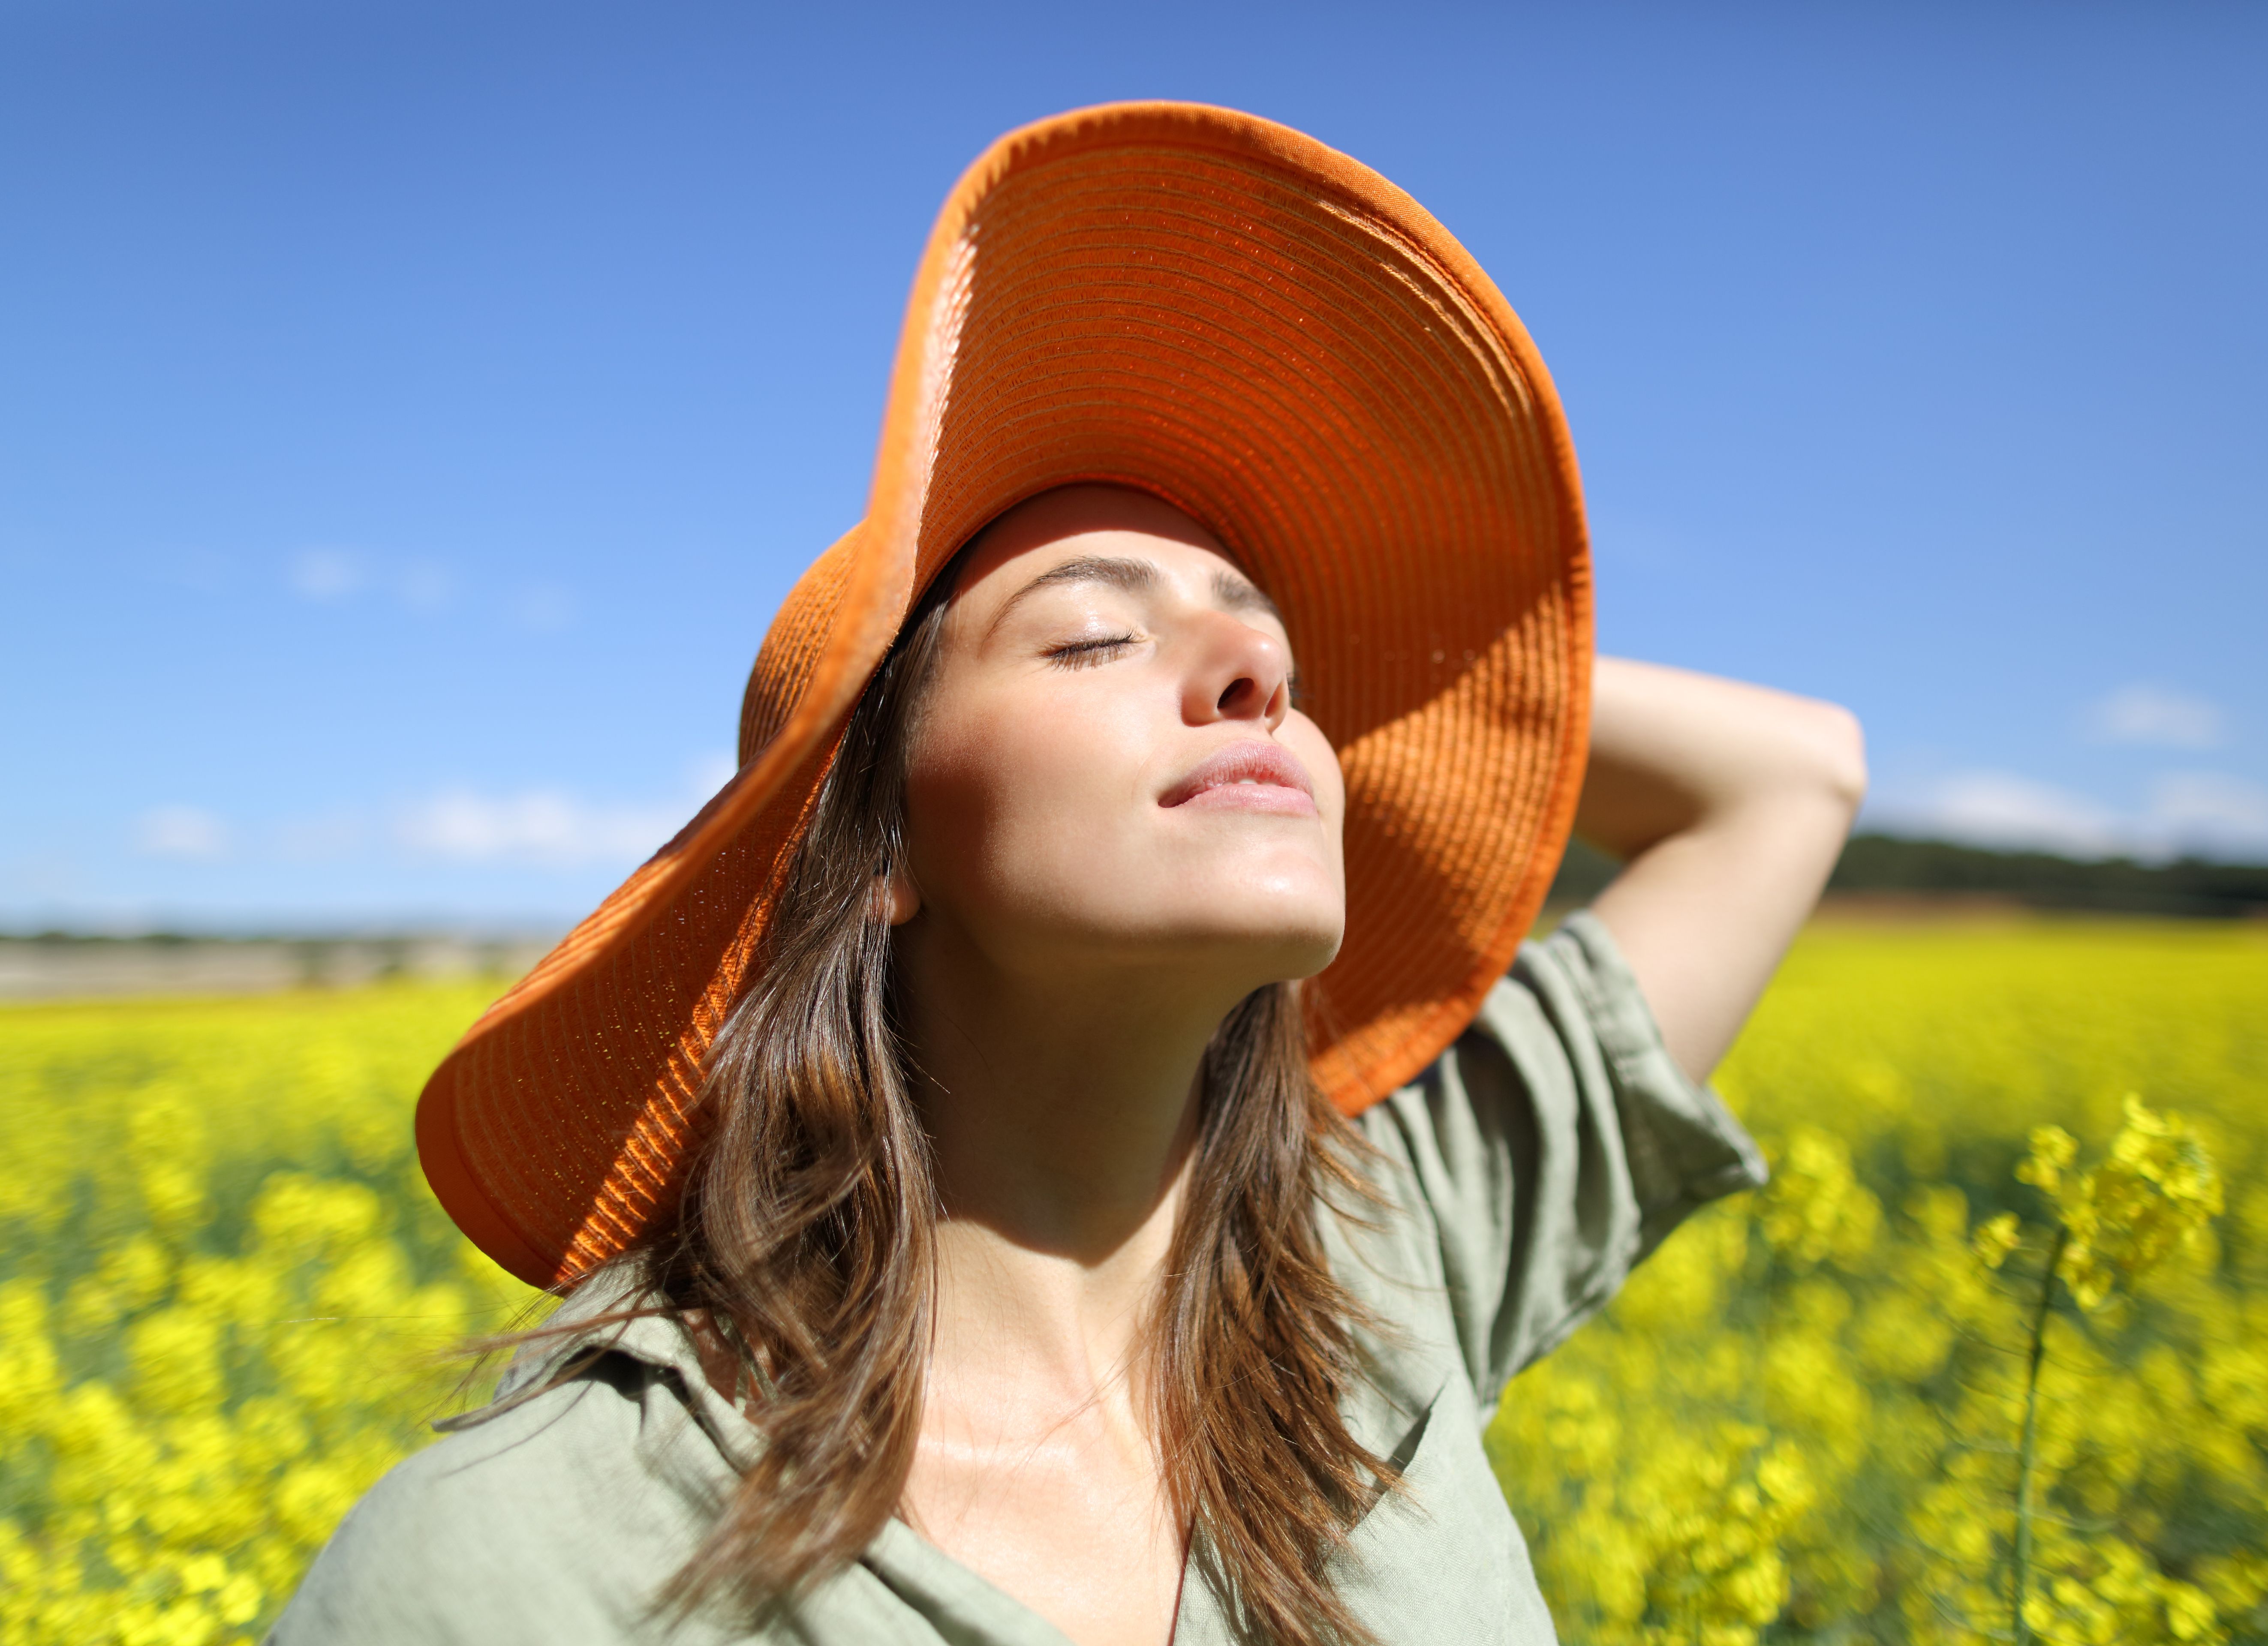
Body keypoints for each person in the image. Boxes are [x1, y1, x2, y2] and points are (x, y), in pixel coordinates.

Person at [274, 103, 1863, 1646]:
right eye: (1094, 634)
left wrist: (1330, 699)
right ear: (878, 838)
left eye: (1286, 659)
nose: (1254, 665)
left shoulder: (1380, 1253)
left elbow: (1795, 776)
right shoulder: (521, 1568)